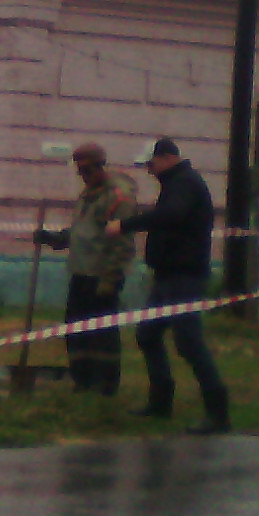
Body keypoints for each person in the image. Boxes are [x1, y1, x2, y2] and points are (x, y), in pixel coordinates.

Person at [109, 136, 231, 434]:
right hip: (167, 275)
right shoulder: (176, 183)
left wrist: (126, 224)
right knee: (148, 334)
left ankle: (218, 414)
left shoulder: (185, 183)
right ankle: (161, 402)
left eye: (151, 164)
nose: (150, 171)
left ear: (166, 158)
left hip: (185, 277)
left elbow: (171, 216)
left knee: (189, 343)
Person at [33, 141, 137, 396]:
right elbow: (84, 230)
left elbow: (123, 244)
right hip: (81, 272)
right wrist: (55, 239)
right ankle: (82, 379)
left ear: (100, 166)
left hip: (101, 275)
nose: (84, 176)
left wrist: (110, 280)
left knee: (102, 332)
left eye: (88, 171)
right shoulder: (88, 195)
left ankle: (105, 383)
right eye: (80, 171)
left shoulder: (117, 197)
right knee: (76, 328)